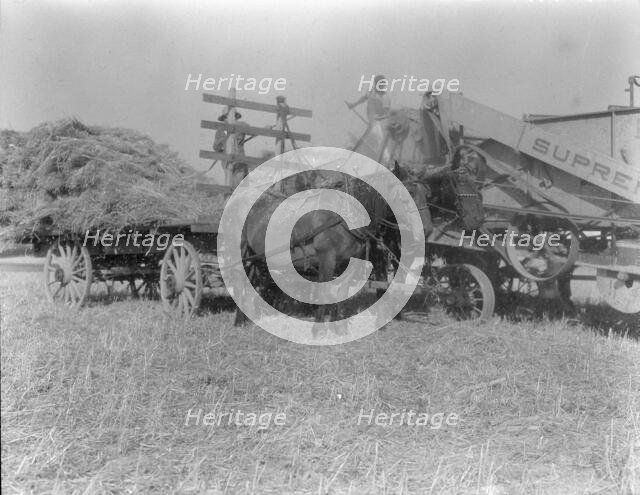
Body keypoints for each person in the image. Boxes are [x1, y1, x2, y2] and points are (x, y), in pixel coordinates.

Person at [347, 75, 392, 166]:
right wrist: (353, 105)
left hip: (379, 123)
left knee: (380, 142)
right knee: (372, 140)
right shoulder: (371, 92)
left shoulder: (385, 97)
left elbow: (387, 113)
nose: (382, 86)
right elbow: (363, 98)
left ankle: (388, 163)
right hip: (372, 122)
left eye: (383, 84)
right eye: (379, 84)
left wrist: (378, 119)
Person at [213, 111, 251, 188]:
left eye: (228, 117)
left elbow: (253, 131)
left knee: (238, 186)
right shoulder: (220, 130)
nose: (226, 120)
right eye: (225, 118)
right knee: (229, 185)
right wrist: (223, 142)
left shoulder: (241, 125)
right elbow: (216, 147)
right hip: (227, 163)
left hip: (239, 161)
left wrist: (266, 128)